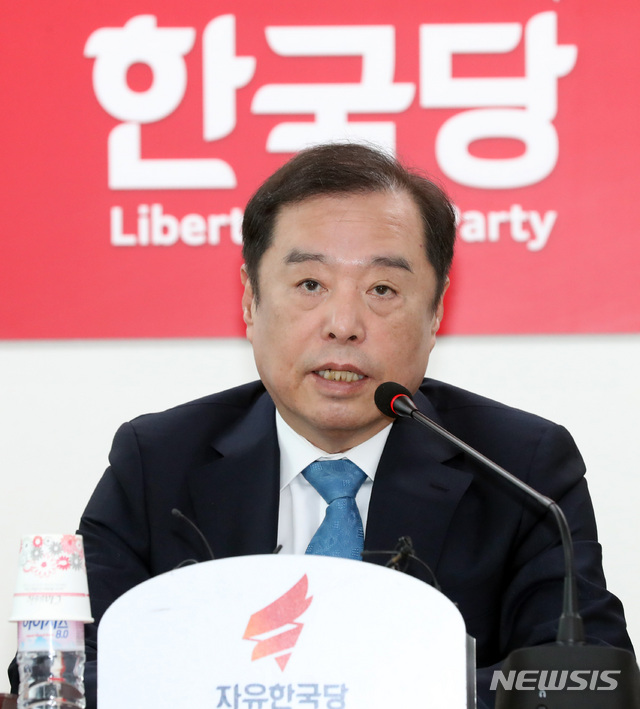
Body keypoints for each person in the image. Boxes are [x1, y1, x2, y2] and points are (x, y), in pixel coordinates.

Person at [9, 143, 633, 707]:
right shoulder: (158, 461)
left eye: (382, 290)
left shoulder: (519, 469)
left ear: (436, 311)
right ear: (250, 300)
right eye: (310, 283)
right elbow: (58, 675)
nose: (343, 325)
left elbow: (588, 677)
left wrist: (353, 689)